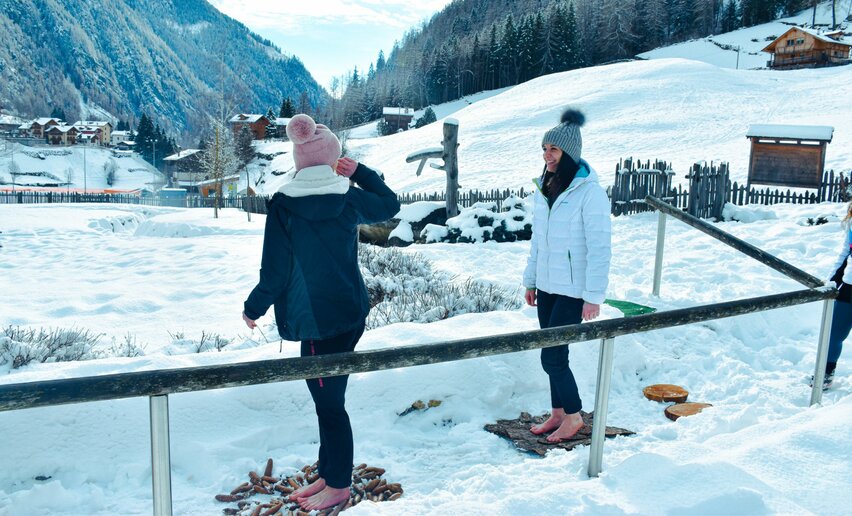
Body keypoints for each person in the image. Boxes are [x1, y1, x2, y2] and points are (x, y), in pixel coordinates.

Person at [242, 114, 400, 511]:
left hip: (315, 321)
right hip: (350, 312)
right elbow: (389, 203)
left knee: (329, 405)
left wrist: (254, 306)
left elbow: (275, 270)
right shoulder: (347, 195)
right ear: (332, 159)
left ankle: (339, 485)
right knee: (328, 399)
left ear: (298, 159)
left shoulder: (284, 205)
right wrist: (361, 171)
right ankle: (331, 475)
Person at [522, 108, 612, 442]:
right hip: (547, 286)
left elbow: (600, 247)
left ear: (569, 154)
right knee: (553, 354)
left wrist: (593, 296)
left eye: (553, 149)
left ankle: (573, 416)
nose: (546, 155)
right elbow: (538, 242)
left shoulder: (590, 193)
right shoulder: (545, 188)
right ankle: (558, 413)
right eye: (544, 148)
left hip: (574, 289)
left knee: (553, 355)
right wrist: (531, 280)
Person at [821, 202, 852, 390]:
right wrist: (832, 280)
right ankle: (826, 372)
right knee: (833, 333)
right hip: (849, 285)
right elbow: (845, 251)